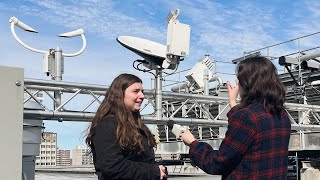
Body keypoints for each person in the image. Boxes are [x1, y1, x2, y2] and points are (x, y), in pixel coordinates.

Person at [180, 56, 291, 179]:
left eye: (240, 79)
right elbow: (248, 132)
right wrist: (233, 102)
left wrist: (193, 143)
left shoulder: (247, 117)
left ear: (248, 83)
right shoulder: (283, 115)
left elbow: (217, 163)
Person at [86, 73, 166, 180]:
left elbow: (144, 161)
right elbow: (113, 167)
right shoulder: (107, 125)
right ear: (120, 94)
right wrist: (154, 171)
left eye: (142, 92)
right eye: (135, 91)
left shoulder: (137, 126)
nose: (142, 96)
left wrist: (160, 170)